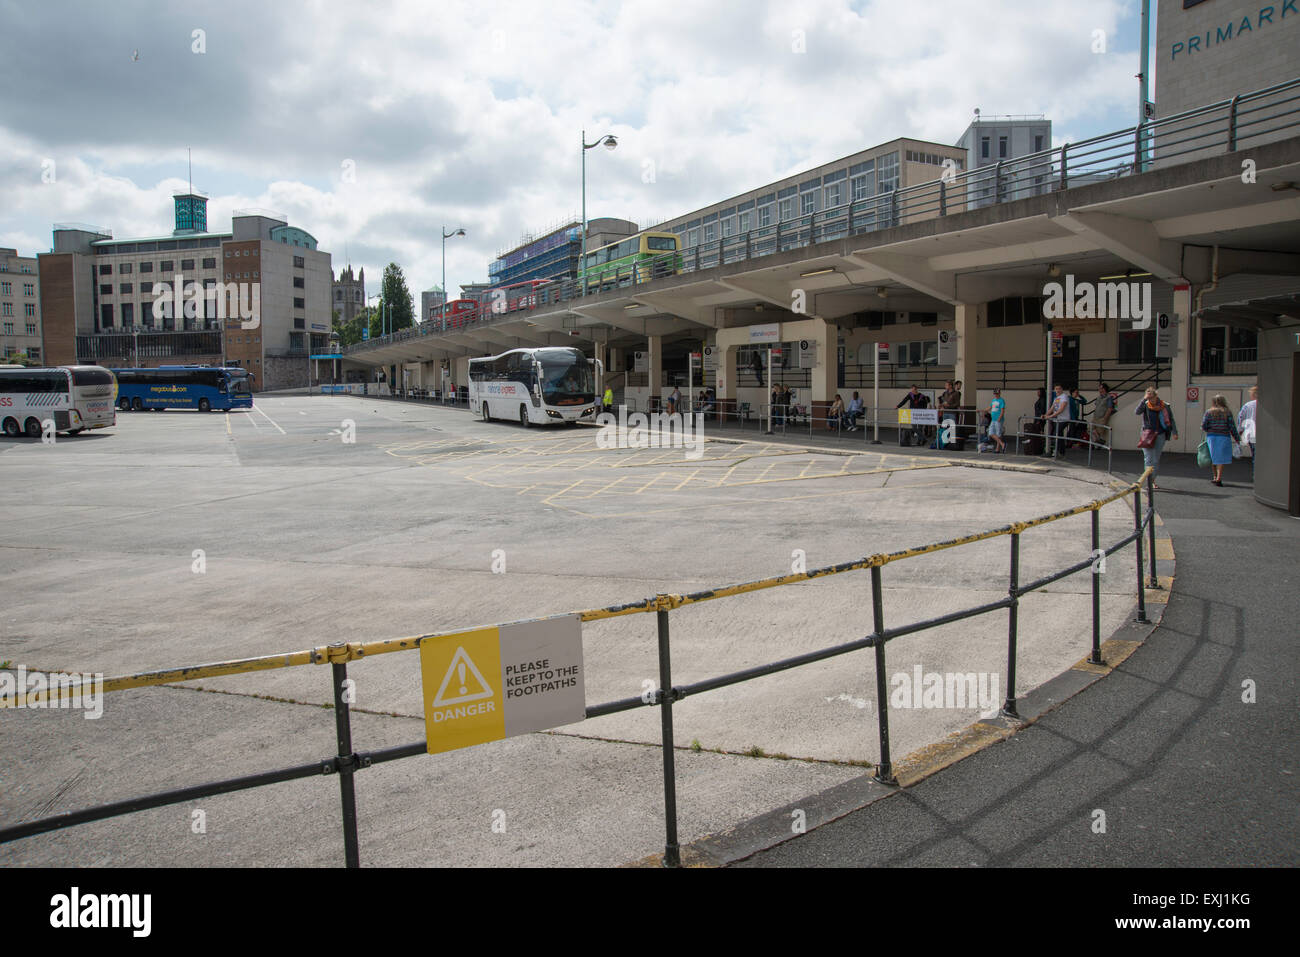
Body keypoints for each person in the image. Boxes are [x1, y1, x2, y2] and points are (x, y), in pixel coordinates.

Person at [1136, 387, 1178, 488]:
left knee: (1155, 459)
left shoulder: (1165, 406)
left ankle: (1152, 480)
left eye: (1152, 398)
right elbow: (1137, 412)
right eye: (1148, 398)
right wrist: (1144, 399)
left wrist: (1174, 432)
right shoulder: (1145, 405)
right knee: (1148, 459)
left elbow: (1171, 419)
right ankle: (1149, 481)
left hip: (1160, 434)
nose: (1151, 400)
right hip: (1148, 435)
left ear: (1156, 396)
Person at [1202, 394, 1240, 487]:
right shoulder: (1227, 412)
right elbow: (1232, 427)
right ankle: (1219, 478)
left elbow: (1203, 425)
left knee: (1213, 457)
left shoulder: (1208, 412)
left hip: (1211, 437)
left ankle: (1214, 477)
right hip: (1224, 437)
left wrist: (1209, 430)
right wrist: (1237, 438)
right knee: (1221, 458)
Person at [1041, 384, 1070, 457]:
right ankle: (1060, 451)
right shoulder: (1056, 398)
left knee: (1056, 434)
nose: (1058, 390)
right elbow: (1052, 408)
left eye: (1059, 388)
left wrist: (1050, 416)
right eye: (1056, 389)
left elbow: (1061, 409)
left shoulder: (1064, 397)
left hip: (1063, 419)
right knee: (1058, 434)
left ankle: (1059, 451)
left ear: (1062, 389)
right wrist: (1046, 415)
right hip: (1057, 420)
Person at [1238, 385, 1257, 480]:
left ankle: (1256, 475)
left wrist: (1240, 431)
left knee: (1255, 455)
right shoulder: (1266, 405)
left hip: (1251, 434)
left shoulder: (1247, 405)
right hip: (1264, 434)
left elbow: (1240, 418)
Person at [1091, 382, 1116, 448]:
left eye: (1101, 388)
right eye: (1099, 389)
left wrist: (1105, 418)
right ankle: (1099, 441)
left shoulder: (1109, 398)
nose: (1100, 390)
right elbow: (1096, 405)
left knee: (1099, 431)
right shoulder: (1099, 397)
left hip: (1102, 417)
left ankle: (1097, 445)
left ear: (1105, 389)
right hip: (1095, 416)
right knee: (1091, 429)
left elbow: (1110, 408)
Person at [984, 388, 1007, 453]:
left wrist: (1000, 417)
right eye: (995, 393)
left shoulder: (1001, 400)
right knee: (991, 433)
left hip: (998, 419)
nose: (996, 395)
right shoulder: (993, 400)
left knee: (998, 434)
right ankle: (1002, 444)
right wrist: (983, 410)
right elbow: (990, 407)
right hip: (993, 419)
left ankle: (998, 449)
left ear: (999, 393)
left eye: (997, 393)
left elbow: (1002, 410)